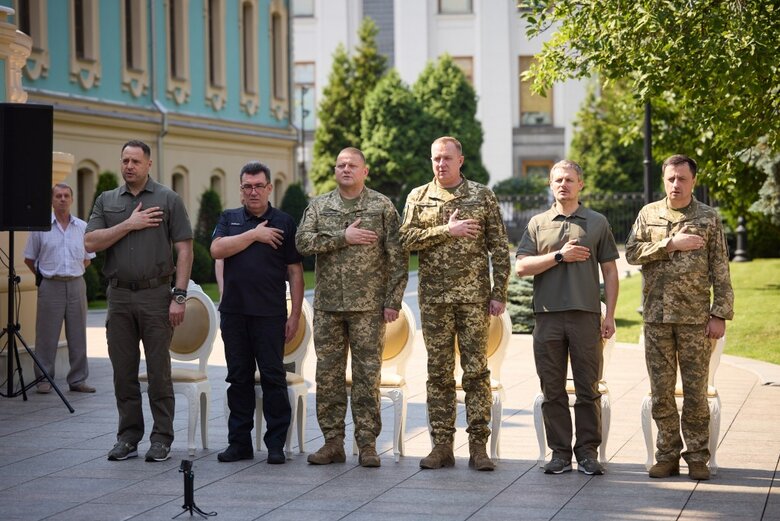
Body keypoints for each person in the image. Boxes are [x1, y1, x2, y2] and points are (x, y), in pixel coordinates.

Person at [399, 136, 510, 471]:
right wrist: (447, 231)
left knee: (476, 372)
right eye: (435, 158)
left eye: (447, 158)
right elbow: (404, 239)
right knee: (439, 374)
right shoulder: (418, 196)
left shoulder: (481, 195)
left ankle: (478, 447)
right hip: (434, 300)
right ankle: (442, 446)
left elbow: (500, 246)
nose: (441, 164)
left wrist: (498, 291)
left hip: (474, 299)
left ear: (461, 160)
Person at [296, 147, 408, 468]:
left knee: (366, 375)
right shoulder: (319, 206)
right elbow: (303, 242)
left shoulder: (381, 206)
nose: (346, 169)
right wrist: (342, 236)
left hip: (369, 308)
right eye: (341, 165)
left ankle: (368, 442)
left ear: (365, 171)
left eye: (352, 165)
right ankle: (333, 442)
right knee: (328, 375)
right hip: (329, 307)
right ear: (335, 171)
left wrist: (392, 301)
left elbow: (397, 256)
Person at [626, 154, 733, 481]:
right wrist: (670, 243)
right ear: (664, 180)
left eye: (682, 179)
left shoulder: (708, 217)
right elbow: (631, 253)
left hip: (695, 320)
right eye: (671, 178)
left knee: (696, 392)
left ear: (693, 181)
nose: (676, 184)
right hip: (657, 318)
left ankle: (698, 457)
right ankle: (667, 455)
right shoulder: (649, 214)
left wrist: (719, 314)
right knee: (660, 392)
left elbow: (721, 269)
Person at [85, 140, 193, 463]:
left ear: (148, 165)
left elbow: (185, 249)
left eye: (135, 161)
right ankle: (129, 436)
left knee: (159, 370)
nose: (129, 166)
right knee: (123, 370)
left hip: (156, 295)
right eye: (125, 160)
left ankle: (161, 438)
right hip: (118, 296)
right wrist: (129, 224)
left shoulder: (168, 199)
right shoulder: (107, 201)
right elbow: (90, 241)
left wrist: (180, 295)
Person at [515, 160, 619, 476]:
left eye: (570, 179)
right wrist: (559, 256)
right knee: (553, 389)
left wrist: (610, 314)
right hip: (547, 318)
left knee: (588, 388)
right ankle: (559, 453)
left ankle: (587, 453)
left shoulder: (597, 222)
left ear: (580, 184)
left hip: (586, 316)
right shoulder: (537, 223)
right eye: (558, 179)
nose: (564, 184)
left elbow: (611, 271)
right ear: (550, 184)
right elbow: (521, 267)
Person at [211, 161, 304, 464]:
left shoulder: (284, 222)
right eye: (247, 186)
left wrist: (294, 315)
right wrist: (253, 235)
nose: (253, 192)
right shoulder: (229, 218)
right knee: (238, 379)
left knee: (273, 378)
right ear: (240, 190)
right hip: (234, 314)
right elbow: (217, 250)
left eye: (258, 186)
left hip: (269, 315)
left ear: (269, 188)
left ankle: (275, 445)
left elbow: (295, 271)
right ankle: (239, 443)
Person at [24, 183, 96, 394]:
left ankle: (78, 380)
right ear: (52, 200)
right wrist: (45, 274)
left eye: (66, 195)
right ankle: (44, 379)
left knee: (78, 334)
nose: (63, 199)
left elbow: (88, 259)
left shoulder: (82, 227)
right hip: (50, 284)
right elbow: (29, 258)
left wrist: (72, 272)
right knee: (46, 335)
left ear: (72, 199)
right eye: (58, 196)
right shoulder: (41, 227)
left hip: (76, 284)